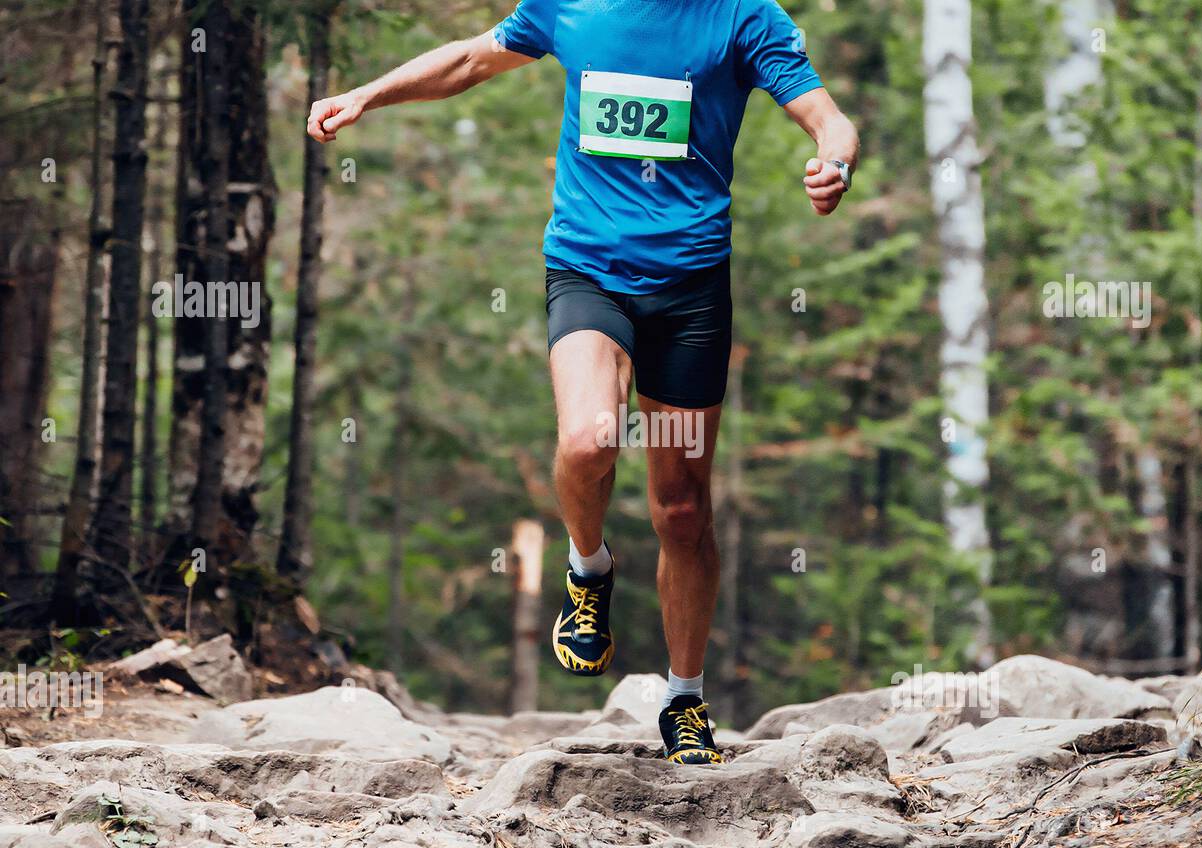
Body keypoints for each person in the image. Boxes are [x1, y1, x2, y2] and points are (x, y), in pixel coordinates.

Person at [307, 0, 858, 765]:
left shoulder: (743, 17)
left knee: (682, 509)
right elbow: (471, 59)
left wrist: (835, 162)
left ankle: (684, 698)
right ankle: (588, 565)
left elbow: (827, 117)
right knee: (590, 436)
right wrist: (365, 94)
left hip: (690, 292)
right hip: (587, 272)